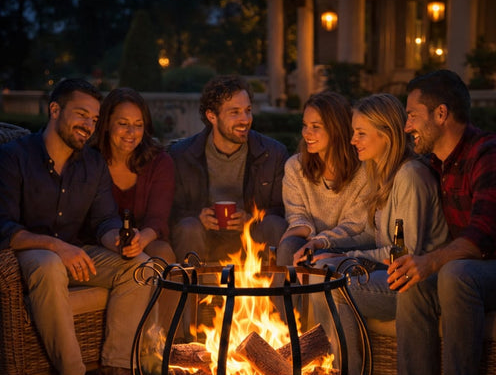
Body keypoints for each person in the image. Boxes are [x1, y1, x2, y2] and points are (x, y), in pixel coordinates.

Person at [0, 78, 152, 375]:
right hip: (27, 253)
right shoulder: (13, 157)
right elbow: (3, 227)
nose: (88, 125)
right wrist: (55, 246)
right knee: (49, 262)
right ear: (55, 110)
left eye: (94, 119)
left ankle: (114, 371)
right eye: (81, 114)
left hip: (72, 254)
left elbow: (104, 220)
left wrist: (118, 240)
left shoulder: (92, 164)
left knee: (142, 265)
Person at [363, 70, 496, 375]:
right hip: (473, 267)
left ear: (441, 114)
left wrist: (432, 261)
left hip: (491, 265)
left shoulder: (489, 155)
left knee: (455, 274)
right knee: (414, 279)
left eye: (412, 115)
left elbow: (482, 236)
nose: (406, 126)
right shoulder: (439, 165)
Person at [296, 93, 448, 375]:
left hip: (419, 283)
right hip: (392, 274)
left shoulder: (411, 176)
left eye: (361, 133)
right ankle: (338, 374)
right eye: (354, 132)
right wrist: (323, 244)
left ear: (387, 135)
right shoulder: (379, 172)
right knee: (318, 273)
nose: (353, 140)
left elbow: (406, 253)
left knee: (335, 286)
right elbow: (370, 234)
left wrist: (347, 259)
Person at [169, 74, 288, 265]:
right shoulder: (182, 155)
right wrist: (198, 216)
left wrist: (251, 219)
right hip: (204, 237)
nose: (245, 119)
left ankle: (274, 293)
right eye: (235, 113)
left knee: (274, 224)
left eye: (248, 111)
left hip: (251, 237)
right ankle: (192, 293)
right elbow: (172, 211)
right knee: (188, 227)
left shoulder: (273, 153)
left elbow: (281, 209)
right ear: (212, 116)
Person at [276, 90, 370, 267]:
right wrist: (297, 232)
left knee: (318, 258)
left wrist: (320, 242)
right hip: (308, 241)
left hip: (344, 246)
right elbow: (297, 214)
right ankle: (277, 295)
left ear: (336, 128)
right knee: (289, 246)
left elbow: (354, 225)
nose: (306, 133)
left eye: (315, 127)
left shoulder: (363, 171)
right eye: (305, 125)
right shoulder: (295, 167)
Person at [91, 87, 175, 265]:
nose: (131, 132)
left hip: (145, 239)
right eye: (123, 124)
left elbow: (157, 219)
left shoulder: (159, 162)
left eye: (138, 125)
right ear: (106, 124)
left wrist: (139, 241)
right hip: (98, 241)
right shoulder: (90, 161)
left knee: (163, 253)